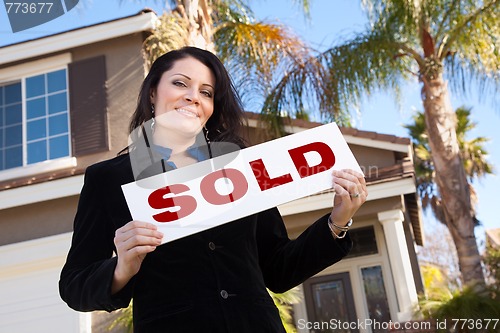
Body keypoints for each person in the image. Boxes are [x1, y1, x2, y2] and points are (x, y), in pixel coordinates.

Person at [59, 46, 368, 333]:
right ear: (153, 92)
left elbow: (278, 269)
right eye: (180, 84)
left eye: (206, 92)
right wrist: (121, 269)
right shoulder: (109, 179)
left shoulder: (241, 167)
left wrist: (337, 222)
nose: (194, 97)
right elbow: (74, 285)